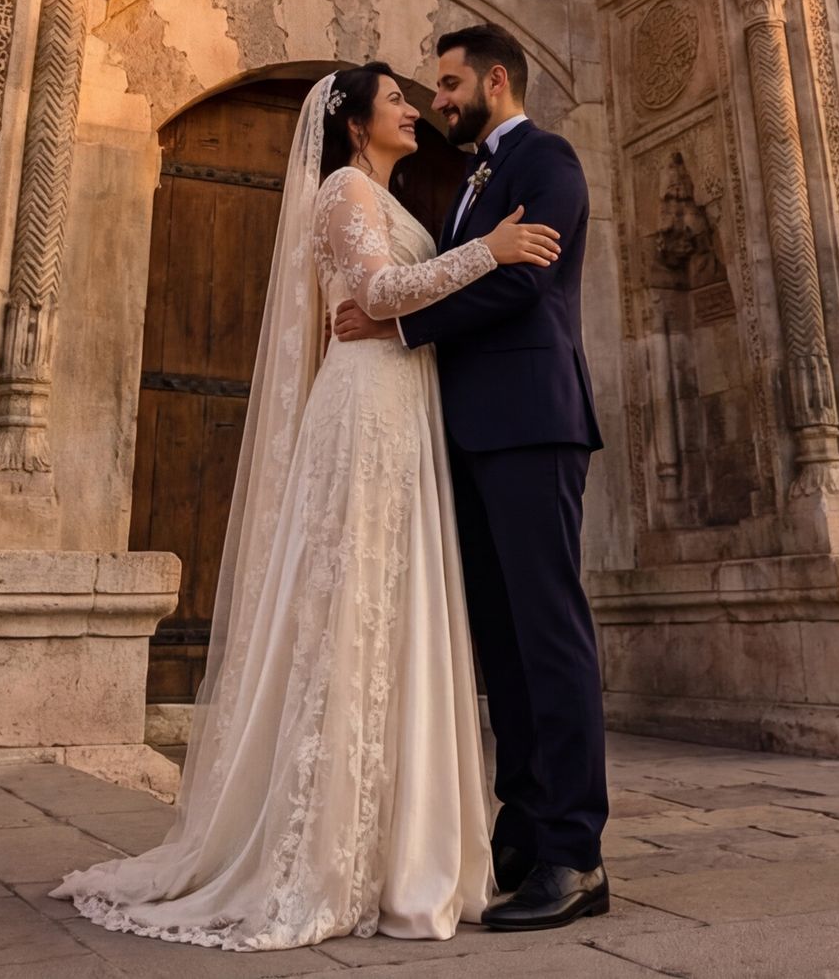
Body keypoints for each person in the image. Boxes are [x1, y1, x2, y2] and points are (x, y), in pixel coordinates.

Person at [56, 63, 561, 948]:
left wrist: (460, 267)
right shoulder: (341, 188)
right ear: (355, 120)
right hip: (366, 406)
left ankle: (403, 843)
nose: (415, 108)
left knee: (397, 608)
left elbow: (395, 300)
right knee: (355, 607)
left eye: (420, 94)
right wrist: (492, 249)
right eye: (398, 98)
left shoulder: (388, 195)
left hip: (403, 404)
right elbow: (374, 295)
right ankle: (329, 847)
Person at [335, 23, 611, 929]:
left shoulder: (549, 160)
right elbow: (467, 266)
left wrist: (401, 328)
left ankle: (576, 852)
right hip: (472, 433)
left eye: (448, 84)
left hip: (533, 423)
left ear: (496, 81)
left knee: (550, 633)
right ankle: (523, 833)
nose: (435, 99)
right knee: (502, 645)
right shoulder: (470, 185)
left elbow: (522, 283)